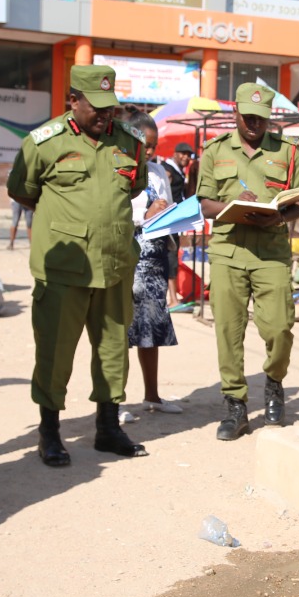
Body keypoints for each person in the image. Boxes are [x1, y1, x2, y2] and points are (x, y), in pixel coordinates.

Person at [7, 64, 149, 466]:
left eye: (110, 108)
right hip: (64, 269)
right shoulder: (43, 142)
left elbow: (134, 187)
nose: (104, 116)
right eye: (95, 108)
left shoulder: (130, 142)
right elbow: (21, 189)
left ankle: (108, 427)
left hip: (116, 264)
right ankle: (49, 430)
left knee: (112, 351)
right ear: (73, 100)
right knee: (55, 352)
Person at [198, 82, 299, 440]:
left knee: (279, 327)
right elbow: (205, 203)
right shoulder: (215, 151)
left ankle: (274, 383)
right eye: (247, 117)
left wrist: (277, 216)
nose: (253, 124)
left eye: (260, 118)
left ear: (269, 117)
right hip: (228, 251)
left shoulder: (288, 152)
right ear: (235, 114)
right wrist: (231, 206)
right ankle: (235, 406)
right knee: (228, 331)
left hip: (271, 252)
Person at [123, 111, 183, 418]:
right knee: (121, 329)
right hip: (130, 254)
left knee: (150, 328)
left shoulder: (159, 172)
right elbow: (113, 213)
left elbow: (167, 206)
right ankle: (114, 401)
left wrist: (169, 212)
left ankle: (152, 395)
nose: (150, 151)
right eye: (145, 145)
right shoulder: (117, 169)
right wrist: (143, 216)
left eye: (154, 145)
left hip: (156, 254)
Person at [161, 142, 192, 306]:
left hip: (174, 220)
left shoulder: (179, 171)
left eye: (189, 155)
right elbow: (162, 192)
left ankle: (171, 298)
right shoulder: (168, 170)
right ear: (175, 153)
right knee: (170, 257)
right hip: (168, 220)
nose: (186, 157)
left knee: (171, 256)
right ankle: (172, 299)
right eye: (183, 153)